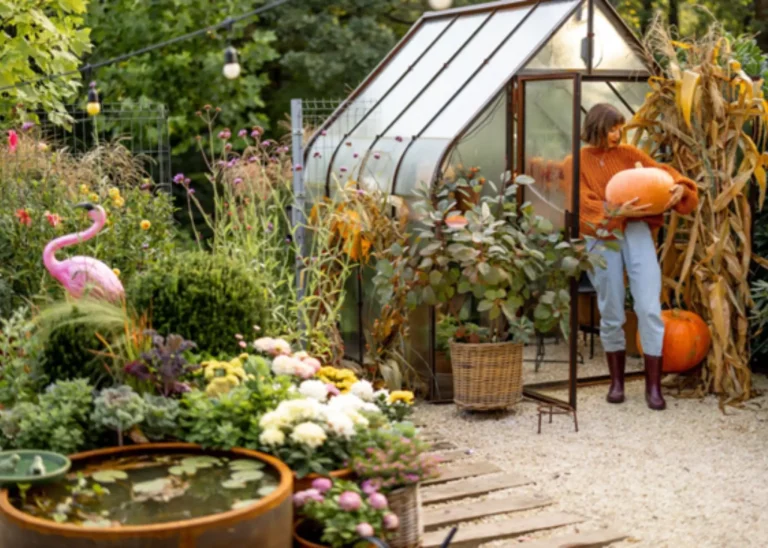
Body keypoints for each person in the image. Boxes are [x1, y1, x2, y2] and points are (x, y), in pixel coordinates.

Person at [577, 103, 698, 410]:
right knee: (612, 309)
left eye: (620, 128)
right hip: (601, 236)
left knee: (648, 307)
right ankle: (617, 383)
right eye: (612, 128)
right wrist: (614, 211)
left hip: (637, 231)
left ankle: (653, 387)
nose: (618, 134)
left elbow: (666, 174)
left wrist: (680, 190)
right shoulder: (575, 161)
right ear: (596, 128)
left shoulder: (630, 155)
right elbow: (580, 205)